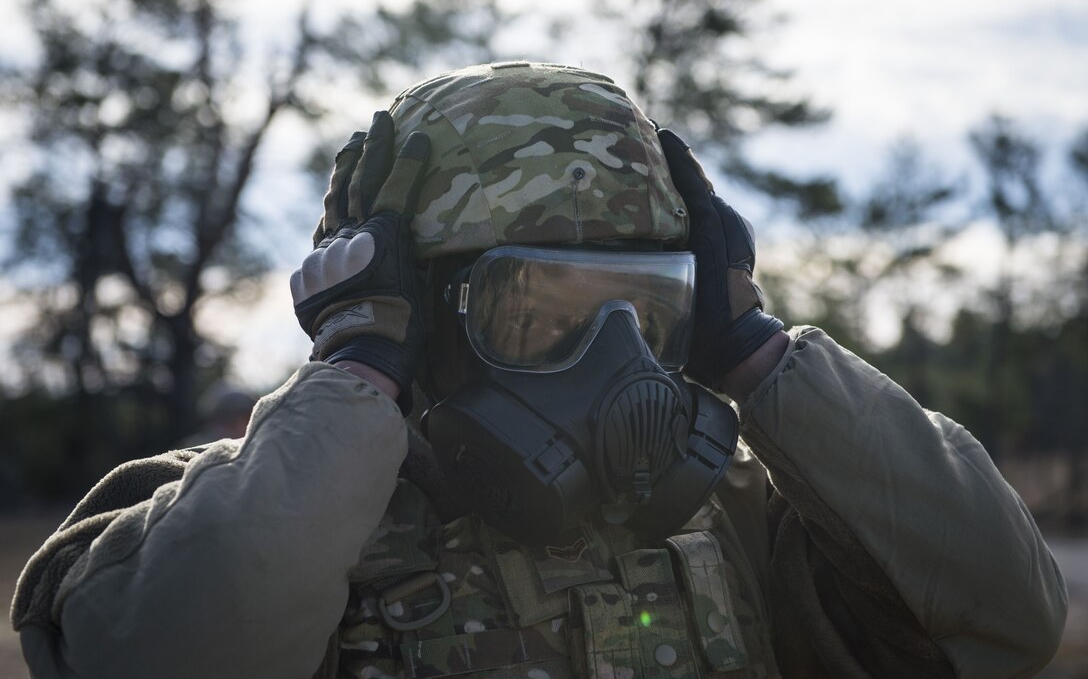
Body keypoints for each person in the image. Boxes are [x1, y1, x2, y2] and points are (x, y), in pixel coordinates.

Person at [11, 62, 1067, 678]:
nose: (613, 359)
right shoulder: (219, 518)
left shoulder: (742, 518)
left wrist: (750, 343)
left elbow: (1008, 613)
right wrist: (354, 379)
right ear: (414, 315)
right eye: (541, 312)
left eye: (648, 312)